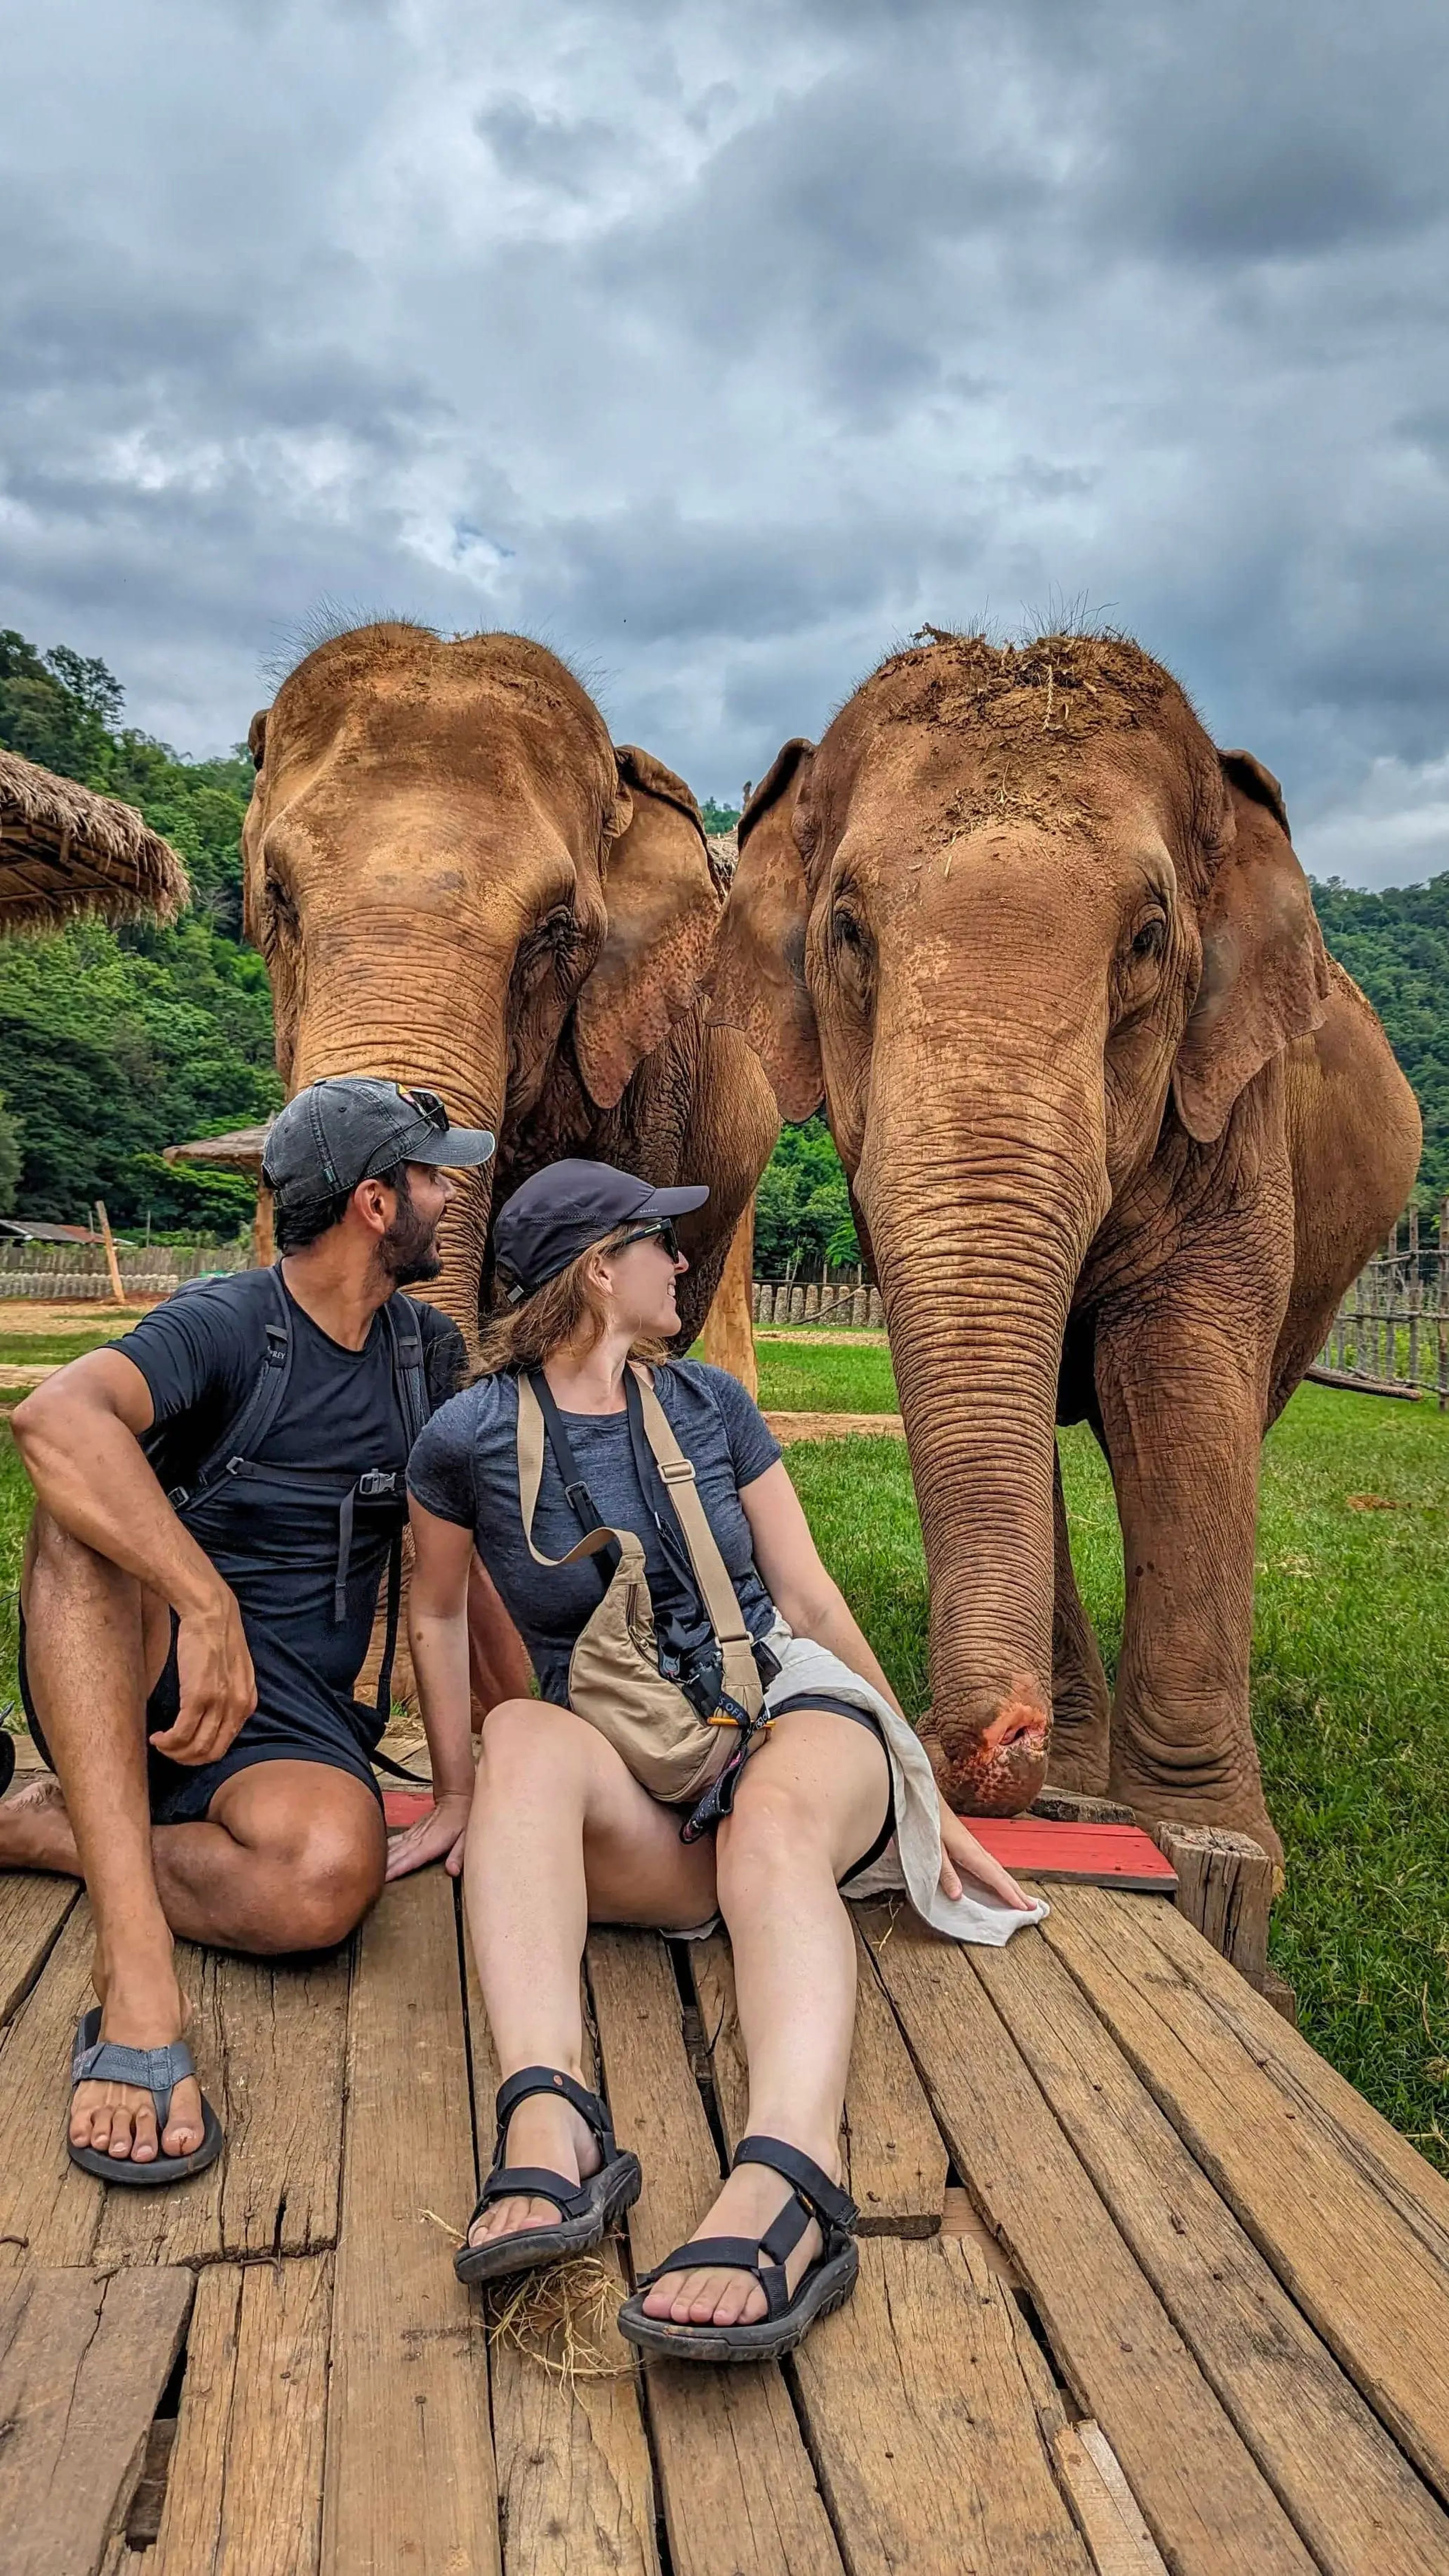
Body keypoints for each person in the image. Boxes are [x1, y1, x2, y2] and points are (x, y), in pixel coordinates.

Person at [394, 1157, 1044, 2363]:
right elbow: (435, 1613)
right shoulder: (468, 1436)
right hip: (646, 1772)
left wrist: (923, 1787)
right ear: (601, 1269)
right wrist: (456, 1792)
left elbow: (812, 1598)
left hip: (789, 1715)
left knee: (773, 1829)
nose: (683, 1261)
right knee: (523, 1730)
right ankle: (550, 2111)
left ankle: (792, 2173)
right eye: (661, 1242)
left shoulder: (711, 1403)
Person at [2, 1076, 494, 2185]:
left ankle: (51, 1829)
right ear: (376, 1203)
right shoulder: (228, 1322)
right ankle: (134, 1970)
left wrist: (490, 1771)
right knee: (80, 1519)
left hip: (291, 1726)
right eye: (430, 1175)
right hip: (154, 1671)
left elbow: (459, 1585)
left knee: (327, 1878)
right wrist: (203, 1597)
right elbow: (53, 1416)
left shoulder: (429, 1358)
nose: (449, 1194)